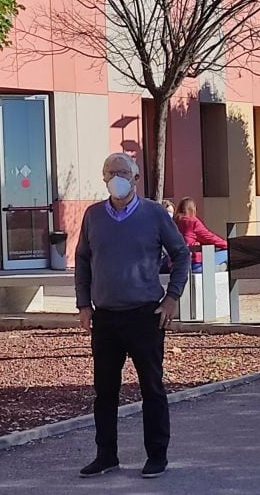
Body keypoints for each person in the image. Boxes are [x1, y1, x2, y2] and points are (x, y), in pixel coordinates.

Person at [75, 153, 189, 479]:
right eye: (110, 172)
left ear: (136, 177)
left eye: (122, 171)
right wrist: (84, 304)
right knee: (105, 391)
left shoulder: (154, 214)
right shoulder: (93, 216)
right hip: (106, 318)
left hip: (145, 316)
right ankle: (106, 455)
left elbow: (180, 254)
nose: (116, 177)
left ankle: (157, 455)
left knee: (151, 388)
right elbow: (83, 259)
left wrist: (172, 298)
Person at [174, 197, 228, 273]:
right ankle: (219, 268)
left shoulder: (173, 222)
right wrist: (228, 244)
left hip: (176, 265)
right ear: (193, 209)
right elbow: (210, 237)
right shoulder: (192, 222)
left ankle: (220, 268)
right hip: (195, 264)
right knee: (228, 252)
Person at [159, 200, 176, 273]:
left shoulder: (173, 227)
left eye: (172, 213)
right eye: (168, 212)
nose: (170, 215)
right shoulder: (156, 227)